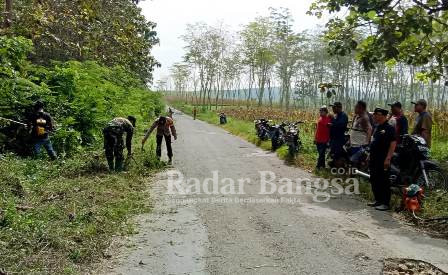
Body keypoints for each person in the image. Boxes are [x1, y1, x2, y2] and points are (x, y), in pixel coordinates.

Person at [368, 107, 397, 211]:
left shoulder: (389, 128)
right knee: (374, 179)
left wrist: (388, 158)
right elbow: (373, 142)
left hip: (383, 159)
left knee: (383, 180)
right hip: (374, 158)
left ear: (384, 116)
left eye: (377, 114)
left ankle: (385, 203)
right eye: (374, 114)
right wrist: (369, 155)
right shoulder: (377, 127)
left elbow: (393, 143)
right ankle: (378, 200)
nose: (375, 116)